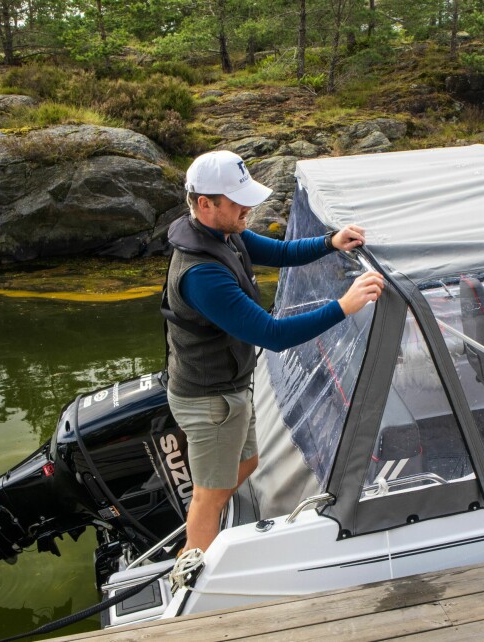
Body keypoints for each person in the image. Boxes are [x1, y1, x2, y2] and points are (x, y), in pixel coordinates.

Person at [163, 149, 384, 561]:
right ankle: (194, 565)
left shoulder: (223, 233)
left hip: (229, 389)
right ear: (206, 204)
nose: (249, 207)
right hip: (209, 401)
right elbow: (273, 334)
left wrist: (330, 242)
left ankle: (205, 532)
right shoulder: (201, 275)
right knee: (208, 498)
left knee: (245, 466)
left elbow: (280, 253)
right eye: (238, 201)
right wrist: (345, 305)